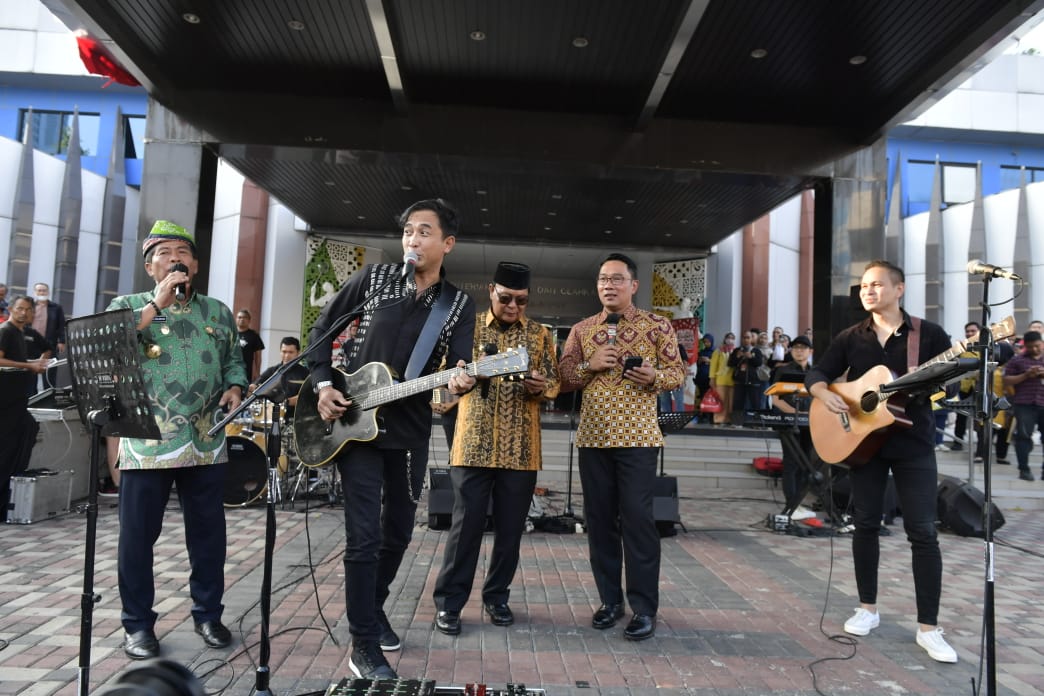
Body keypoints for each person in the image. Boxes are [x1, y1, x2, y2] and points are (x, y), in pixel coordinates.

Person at [305, 198, 476, 679]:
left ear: (447, 243)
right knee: (363, 536)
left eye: (424, 232)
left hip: (408, 430)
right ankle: (363, 643)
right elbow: (322, 330)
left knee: (398, 531)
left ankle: (371, 606)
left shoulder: (458, 304)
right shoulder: (374, 279)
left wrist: (461, 380)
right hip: (354, 426)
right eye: (407, 231)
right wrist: (323, 385)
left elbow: (458, 367)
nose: (412, 240)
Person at [106, 220, 248, 660]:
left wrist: (235, 387)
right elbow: (111, 347)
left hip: (205, 439)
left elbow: (234, 360)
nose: (175, 259)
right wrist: (157, 303)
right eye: (164, 254)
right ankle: (137, 625)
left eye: (183, 252)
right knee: (137, 538)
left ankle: (208, 615)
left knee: (208, 537)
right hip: (148, 441)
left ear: (196, 265)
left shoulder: (217, 311)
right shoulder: (128, 305)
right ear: (150, 267)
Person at [806, 260, 958, 664]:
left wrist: (935, 385)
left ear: (899, 289)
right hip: (864, 445)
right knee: (866, 525)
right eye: (863, 286)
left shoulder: (929, 334)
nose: (868, 291)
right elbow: (818, 372)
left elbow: (949, 383)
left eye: (876, 285)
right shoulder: (851, 337)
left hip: (914, 444)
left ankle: (929, 627)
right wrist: (824, 394)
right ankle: (867, 608)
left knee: (922, 531)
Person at [559, 253, 684, 641]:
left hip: (638, 439)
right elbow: (563, 377)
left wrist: (653, 376)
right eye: (602, 279)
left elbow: (677, 373)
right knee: (599, 522)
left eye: (616, 279)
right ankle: (610, 601)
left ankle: (644, 608)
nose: (608, 285)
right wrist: (590, 365)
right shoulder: (582, 329)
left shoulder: (657, 325)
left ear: (634, 285)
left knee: (637, 521)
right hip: (594, 438)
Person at [433, 262, 560, 635]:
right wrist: (456, 383)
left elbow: (555, 381)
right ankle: (450, 604)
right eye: (506, 298)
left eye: (521, 300)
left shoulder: (540, 335)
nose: (513, 307)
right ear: (491, 291)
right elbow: (437, 382)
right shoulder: (465, 327)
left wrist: (542, 387)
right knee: (465, 528)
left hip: (521, 448)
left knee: (510, 532)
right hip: (473, 444)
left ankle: (497, 598)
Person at [0, 296, 47, 520]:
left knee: (27, 431)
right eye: (20, 308)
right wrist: (28, 365)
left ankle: (6, 503)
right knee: (5, 453)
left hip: (19, 402)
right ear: (11, 309)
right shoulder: (5, 331)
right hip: (5, 404)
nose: (23, 312)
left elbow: (47, 349)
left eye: (28, 309)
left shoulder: (23, 333)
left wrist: (37, 362)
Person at [769, 335, 814, 517]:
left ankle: (798, 504)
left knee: (806, 464)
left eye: (803, 348)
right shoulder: (783, 370)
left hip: (810, 423)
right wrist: (795, 413)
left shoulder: (815, 372)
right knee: (791, 462)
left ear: (810, 351)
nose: (799, 351)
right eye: (796, 348)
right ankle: (791, 505)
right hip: (788, 422)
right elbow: (776, 399)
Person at [1002, 330, 1044, 482]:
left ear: (1042, 343)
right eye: (1031, 347)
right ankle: (1024, 470)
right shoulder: (1017, 360)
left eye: (1037, 346)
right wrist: (1026, 375)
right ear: (1025, 345)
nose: (1035, 349)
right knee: (1023, 437)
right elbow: (1006, 380)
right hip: (1024, 403)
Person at [249, 336, 309, 422]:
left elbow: (307, 396)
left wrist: (286, 402)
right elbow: (254, 386)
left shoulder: (306, 373)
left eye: (291, 352)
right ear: (280, 352)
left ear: (298, 353)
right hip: (271, 418)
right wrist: (251, 388)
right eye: (284, 352)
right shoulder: (272, 371)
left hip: (297, 419)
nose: (287, 355)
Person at [32, 282, 66, 390]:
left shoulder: (56, 307)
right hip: (31, 344)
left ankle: (49, 396)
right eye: (39, 290)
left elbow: (61, 325)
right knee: (31, 375)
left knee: (49, 374)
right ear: (35, 292)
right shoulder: (30, 306)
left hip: (49, 345)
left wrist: (62, 341)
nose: (42, 292)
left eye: (44, 290)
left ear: (48, 292)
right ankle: (30, 397)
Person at [708, 332, 735, 425]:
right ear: (725, 339)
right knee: (721, 401)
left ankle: (728, 419)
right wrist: (712, 378)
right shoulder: (718, 351)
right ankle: (719, 419)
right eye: (728, 337)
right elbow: (713, 366)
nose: (730, 340)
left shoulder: (735, 351)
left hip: (732, 381)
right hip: (720, 381)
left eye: (732, 338)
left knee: (730, 402)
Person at [236, 309, 265, 381]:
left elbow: (258, 357)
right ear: (236, 319)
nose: (242, 319)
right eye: (239, 317)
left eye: (244, 317)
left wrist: (257, 372)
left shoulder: (254, 335)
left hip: (246, 372)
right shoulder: (231, 334)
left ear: (249, 320)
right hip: (230, 369)